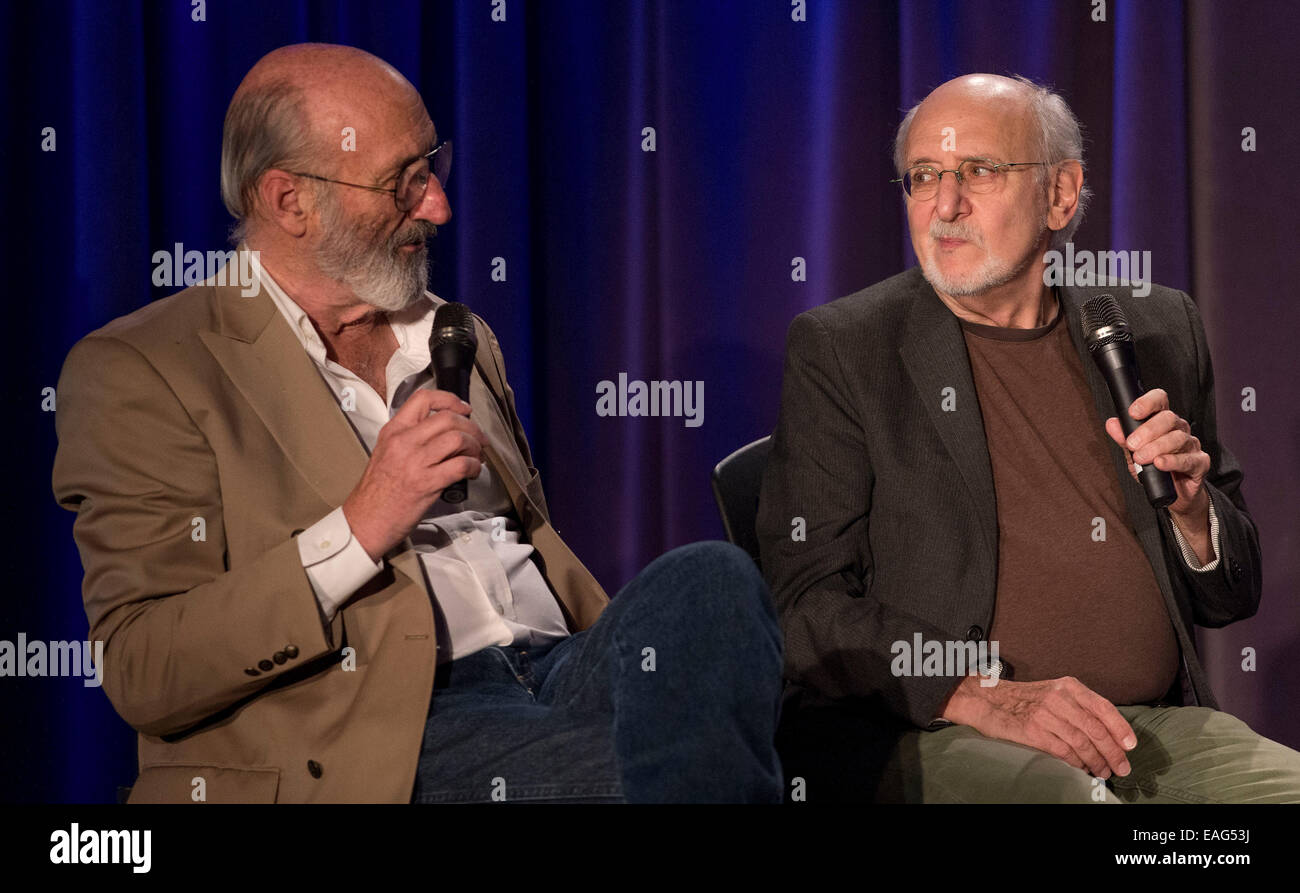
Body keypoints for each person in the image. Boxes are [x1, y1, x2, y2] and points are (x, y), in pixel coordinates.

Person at [52, 43, 782, 804]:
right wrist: (361, 525)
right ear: (288, 200)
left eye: (433, 167)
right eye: (402, 184)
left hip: (563, 670)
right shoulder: (148, 366)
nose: (438, 206)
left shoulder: (452, 330)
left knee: (712, 579)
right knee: (667, 777)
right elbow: (144, 665)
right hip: (394, 717)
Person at [757, 73, 1300, 803]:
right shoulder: (847, 350)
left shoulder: (1153, 327)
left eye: (978, 171)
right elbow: (804, 602)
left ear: (1061, 194)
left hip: (1151, 732)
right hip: (940, 730)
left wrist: (1193, 516)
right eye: (924, 176)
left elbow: (1232, 595)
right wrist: (978, 692)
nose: (946, 205)